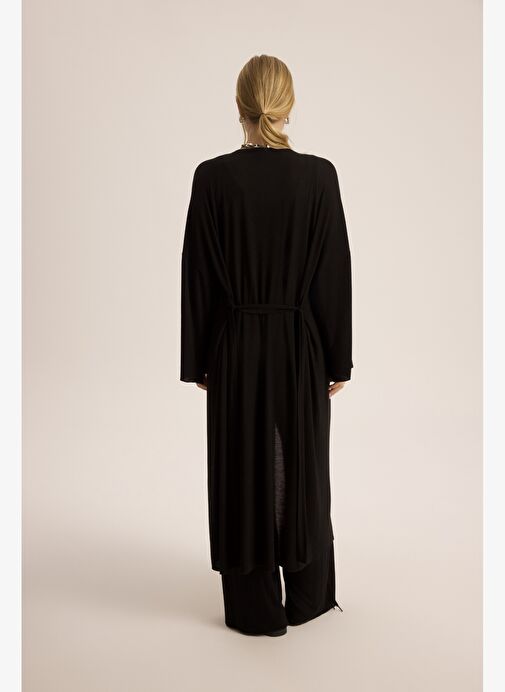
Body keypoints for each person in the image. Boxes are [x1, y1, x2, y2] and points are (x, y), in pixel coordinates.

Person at [180, 54, 353, 637]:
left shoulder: (212, 177)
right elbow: (333, 274)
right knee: (300, 463)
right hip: (301, 346)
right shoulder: (319, 177)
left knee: (242, 466)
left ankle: (254, 608)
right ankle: (307, 596)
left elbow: (198, 275)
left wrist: (199, 359)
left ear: (239, 106)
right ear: (289, 105)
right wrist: (338, 358)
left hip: (235, 346)